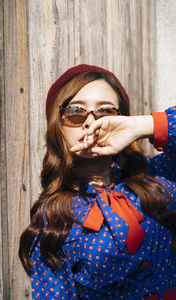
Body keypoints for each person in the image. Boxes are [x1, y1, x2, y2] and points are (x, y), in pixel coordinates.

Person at [19, 64, 176, 300]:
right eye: (75, 112)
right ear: (58, 126)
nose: (90, 122)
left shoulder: (159, 175)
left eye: (105, 112)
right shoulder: (54, 221)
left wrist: (144, 126)